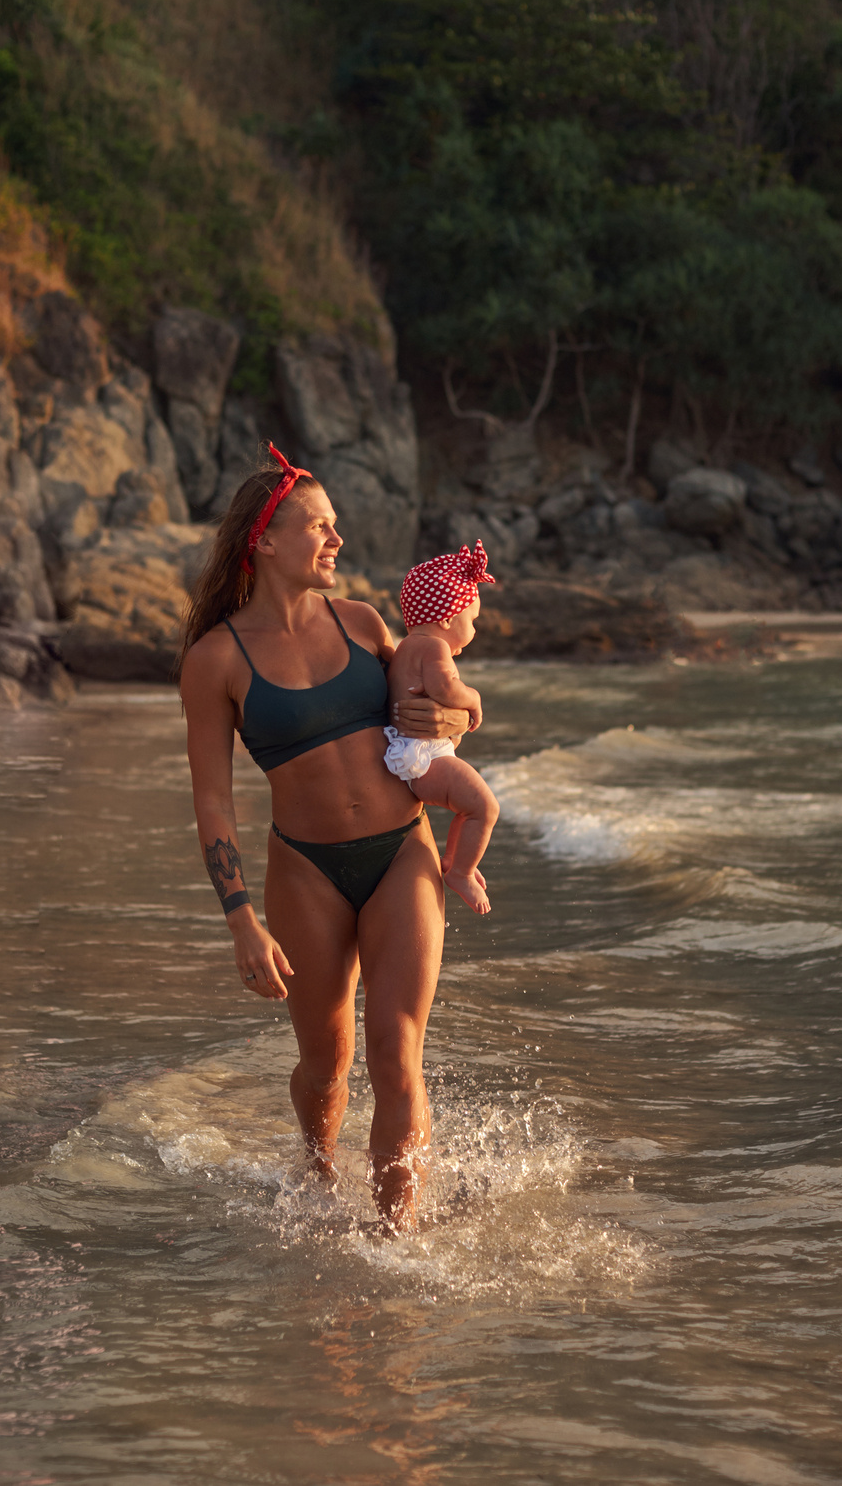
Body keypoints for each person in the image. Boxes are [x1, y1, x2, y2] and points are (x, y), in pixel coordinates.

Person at [176, 444, 475, 1234]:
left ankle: (395, 1236)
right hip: (304, 871)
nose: (337, 540)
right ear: (265, 541)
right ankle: (315, 1175)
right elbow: (211, 798)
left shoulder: (366, 624)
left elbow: (444, 715)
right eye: (321, 525)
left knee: (397, 1051)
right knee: (325, 1064)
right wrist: (241, 916)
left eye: (336, 525)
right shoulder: (215, 661)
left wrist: (457, 717)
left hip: (400, 853)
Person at [384, 542, 503, 917]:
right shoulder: (434, 648)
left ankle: (455, 861)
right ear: (449, 618)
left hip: (416, 752)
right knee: (484, 807)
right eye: (473, 621)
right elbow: (445, 690)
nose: (475, 630)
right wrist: (474, 698)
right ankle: (461, 871)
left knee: (469, 808)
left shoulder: (406, 647)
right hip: (425, 758)